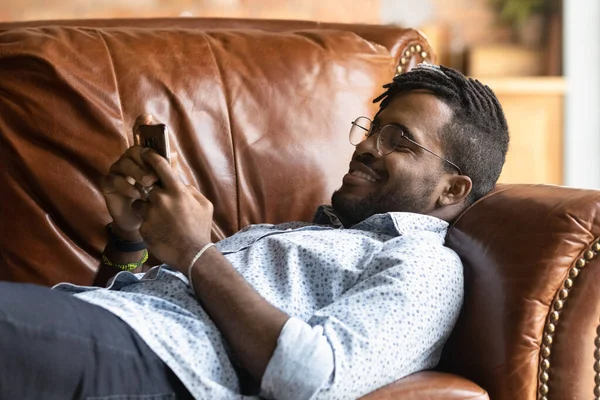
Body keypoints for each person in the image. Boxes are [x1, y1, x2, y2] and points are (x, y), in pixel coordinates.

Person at [0, 64, 509, 400]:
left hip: (163, 366)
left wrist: (195, 252)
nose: (367, 146)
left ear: (451, 189)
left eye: (399, 141)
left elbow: (312, 379)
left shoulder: (427, 266)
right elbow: (132, 303)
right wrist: (131, 239)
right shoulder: (299, 232)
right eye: (372, 129)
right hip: (113, 329)